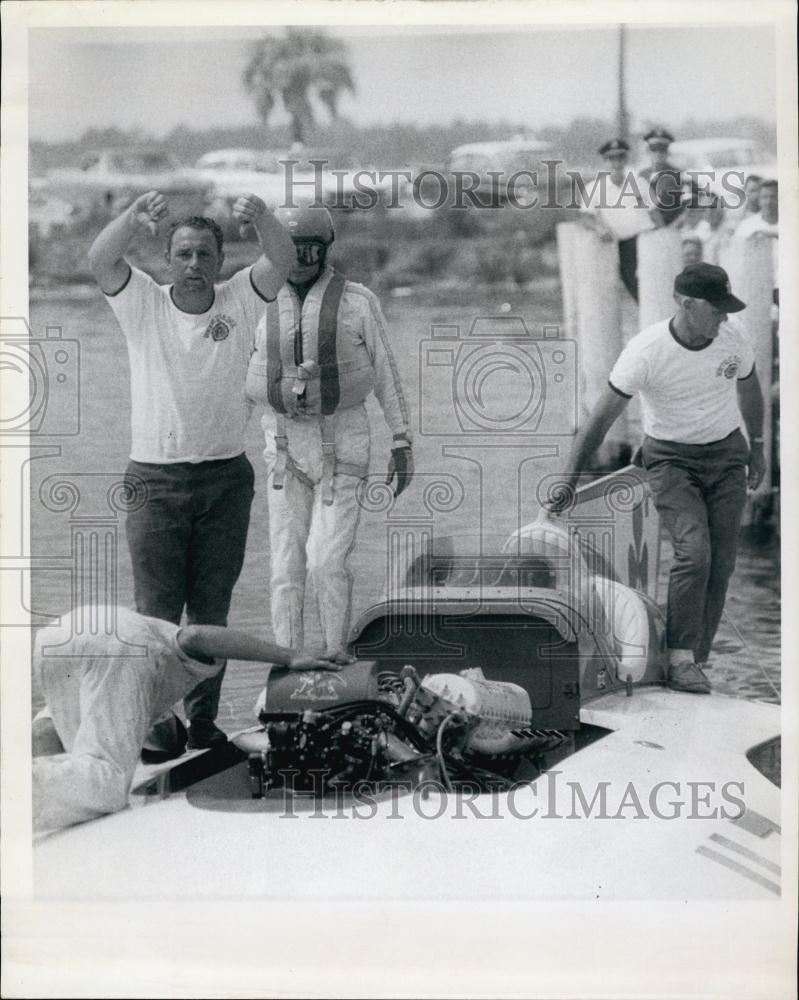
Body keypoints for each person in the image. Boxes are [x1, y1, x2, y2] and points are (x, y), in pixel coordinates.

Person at [88, 191, 296, 750]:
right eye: (183, 254)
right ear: (166, 259)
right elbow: (100, 262)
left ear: (221, 259)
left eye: (205, 254)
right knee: (155, 614)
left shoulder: (240, 300)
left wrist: (265, 220)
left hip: (225, 481)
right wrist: (131, 220)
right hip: (154, 483)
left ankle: (203, 724)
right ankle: (153, 721)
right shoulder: (143, 304)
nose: (194, 265)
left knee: (211, 610)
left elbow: (286, 262)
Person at [548, 263, 766, 694]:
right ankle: (679, 658)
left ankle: (693, 661)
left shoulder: (732, 336)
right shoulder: (645, 351)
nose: (724, 317)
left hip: (726, 456)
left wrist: (757, 446)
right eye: (716, 309)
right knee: (694, 551)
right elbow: (599, 420)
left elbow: (749, 388)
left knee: (722, 564)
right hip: (670, 460)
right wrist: (569, 480)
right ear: (687, 304)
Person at [247, 203, 413, 659]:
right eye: (292, 248)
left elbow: (386, 374)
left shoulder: (358, 301)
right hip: (281, 445)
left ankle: (337, 652)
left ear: (325, 250)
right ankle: (288, 662)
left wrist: (402, 441)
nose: (300, 258)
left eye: (310, 249)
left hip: (344, 443)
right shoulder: (256, 300)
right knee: (284, 566)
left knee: (326, 559)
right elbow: (238, 379)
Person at [31, 605, 335, 832]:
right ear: (162, 722)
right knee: (108, 781)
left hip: (55, 638)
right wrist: (288, 655)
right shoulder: (158, 680)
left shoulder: (111, 701)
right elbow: (196, 635)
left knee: (79, 766)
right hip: (116, 640)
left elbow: (45, 731)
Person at [580, 138, 655, 302]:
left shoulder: (639, 183)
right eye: (611, 158)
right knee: (633, 288)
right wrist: (599, 228)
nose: (616, 163)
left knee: (652, 285)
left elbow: (655, 213)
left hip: (644, 240)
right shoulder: (594, 188)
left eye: (620, 158)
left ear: (626, 160)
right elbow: (586, 217)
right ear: (604, 161)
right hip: (620, 245)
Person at [637, 127, 697, 229]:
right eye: (654, 149)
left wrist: (681, 221)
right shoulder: (642, 175)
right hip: (649, 230)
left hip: (674, 228)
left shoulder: (680, 174)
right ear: (648, 152)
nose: (658, 154)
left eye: (662, 150)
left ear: (668, 152)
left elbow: (694, 200)